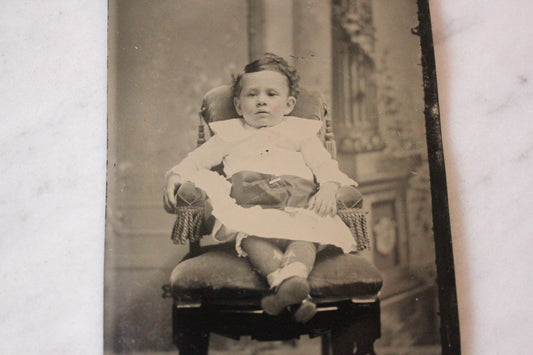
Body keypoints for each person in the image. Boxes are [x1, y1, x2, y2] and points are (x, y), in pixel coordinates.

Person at [163, 53, 361, 323]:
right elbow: (195, 162)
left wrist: (328, 187)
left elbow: (325, 166)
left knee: (306, 238)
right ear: (238, 103)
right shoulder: (230, 136)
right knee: (252, 238)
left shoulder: (301, 135)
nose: (261, 101)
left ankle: (288, 282)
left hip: (298, 206)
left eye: (271, 94)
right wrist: (175, 175)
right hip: (252, 208)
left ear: (289, 104)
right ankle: (292, 290)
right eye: (252, 95)